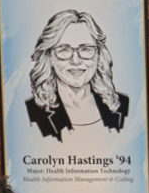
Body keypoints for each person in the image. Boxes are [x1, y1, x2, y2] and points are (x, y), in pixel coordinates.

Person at [24, 9, 129, 142]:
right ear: (49, 57)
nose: (76, 60)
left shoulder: (123, 106)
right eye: (64, 50)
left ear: (98, 56)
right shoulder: (31, 111)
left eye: (85, 49)